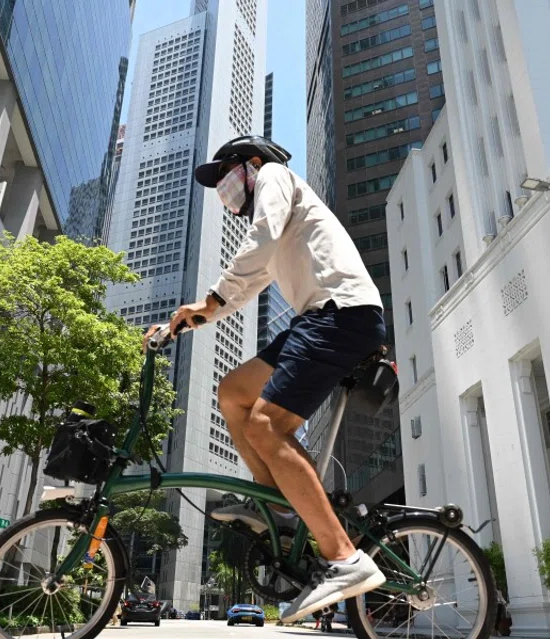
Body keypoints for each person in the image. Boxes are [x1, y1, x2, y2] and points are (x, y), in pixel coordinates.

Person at [147, 135, 387, 623]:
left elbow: (259, 243)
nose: (222, 188)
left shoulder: (276, 178)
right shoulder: (276, 223)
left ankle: (344, 557)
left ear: (252, 163)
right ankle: (278, 506)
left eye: (226, 174)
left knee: (266, 424)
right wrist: (194, 318)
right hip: (318, 318)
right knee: (233, 392)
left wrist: (210, 300)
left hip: (341, 314)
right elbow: (252, 279)